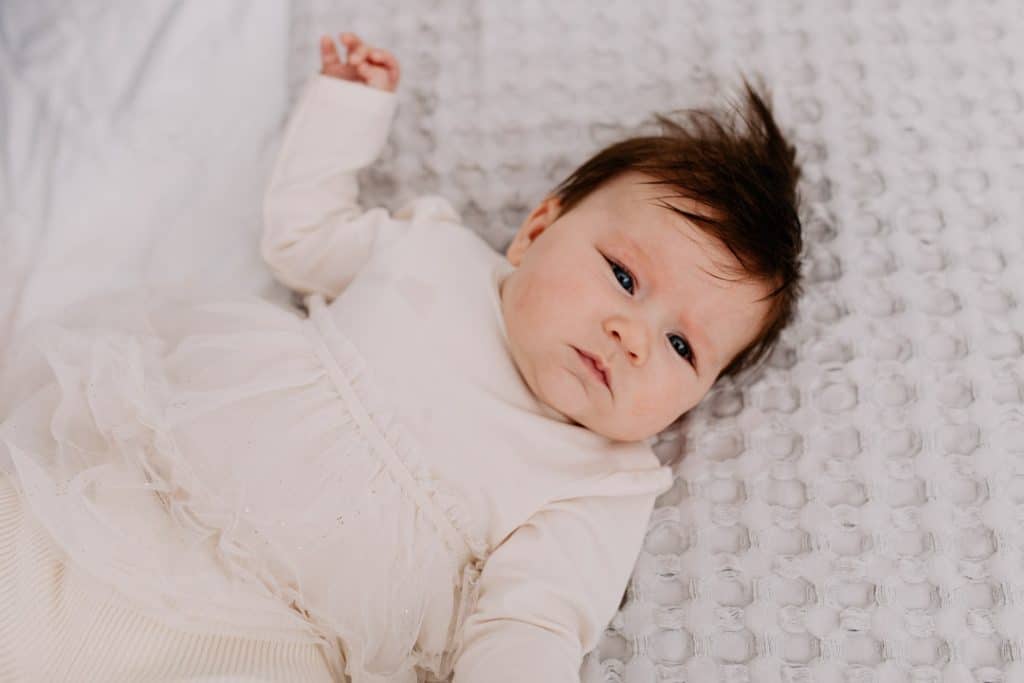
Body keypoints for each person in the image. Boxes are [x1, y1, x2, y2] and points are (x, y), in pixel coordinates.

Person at [0, 30, 802, 683]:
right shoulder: (431, 252)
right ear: (536, 230)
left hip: (276, 633)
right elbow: (302, 239)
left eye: (681, 345)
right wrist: (345, 112)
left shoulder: (600, 482)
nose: (634, 332)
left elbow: (534, 620)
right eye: (624, 276)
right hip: (144, 489)